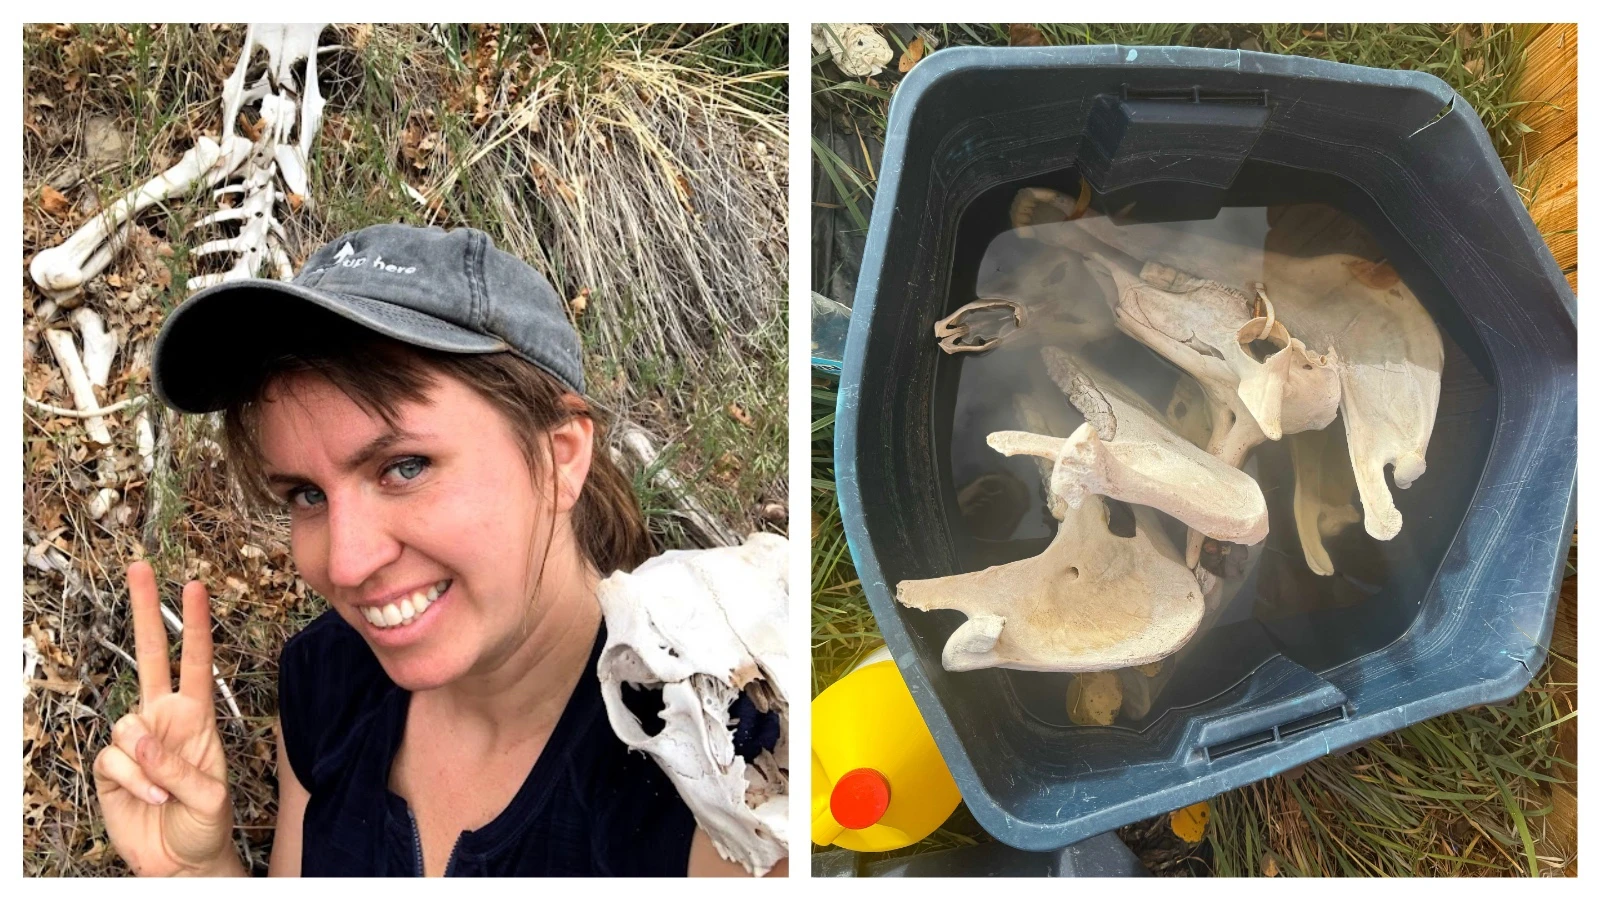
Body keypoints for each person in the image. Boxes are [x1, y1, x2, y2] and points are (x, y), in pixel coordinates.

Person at [90, 224, 784, 877]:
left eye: (405, 467)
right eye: (306, 494)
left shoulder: (718, 762)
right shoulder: (327, 679)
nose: (345, 564)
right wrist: (200, 873)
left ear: (560, 457)